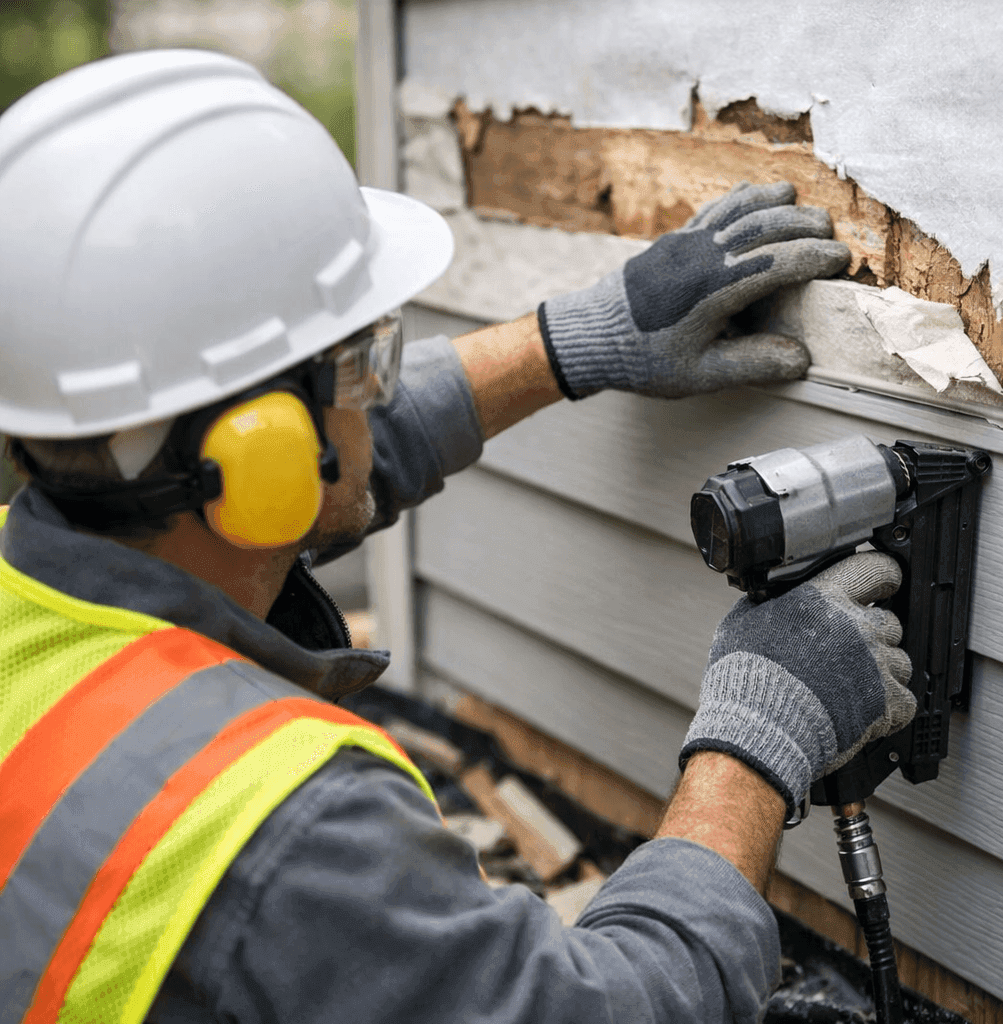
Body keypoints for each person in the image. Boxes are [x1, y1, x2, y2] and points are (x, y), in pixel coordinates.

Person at [0, 49, 915, 1024]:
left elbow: (308, 463)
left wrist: (572, 339)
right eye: (360, 361)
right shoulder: (281, 827)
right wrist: (750, 748)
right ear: (258, 453)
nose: (381, 385)